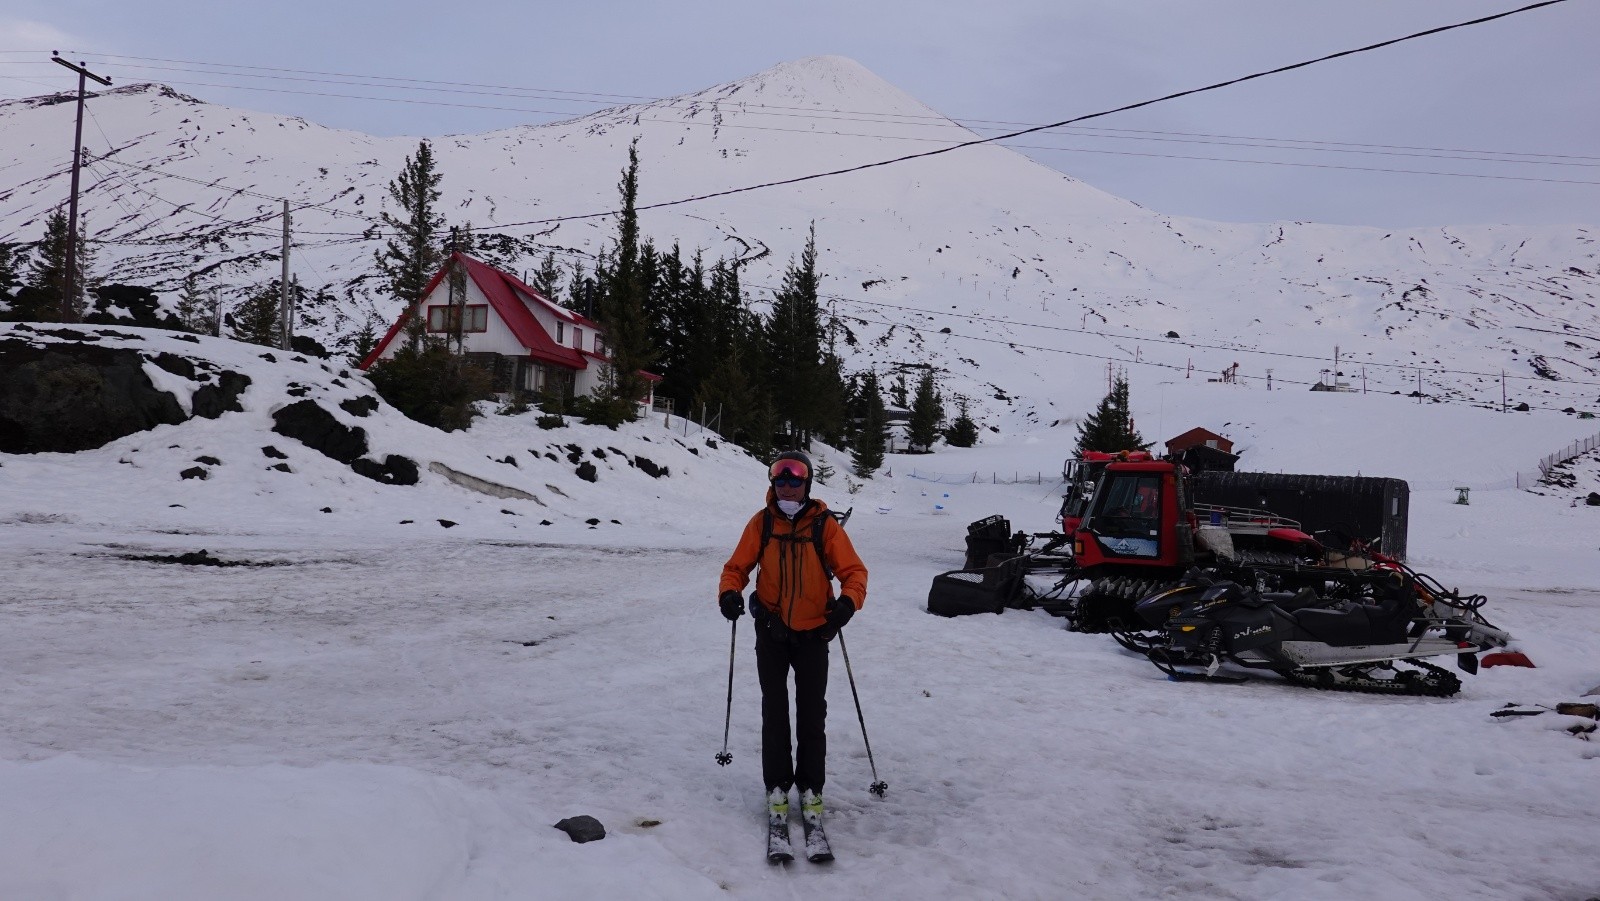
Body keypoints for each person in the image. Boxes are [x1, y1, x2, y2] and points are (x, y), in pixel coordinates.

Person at [718, 450, 867, 842]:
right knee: (775, 710)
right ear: (772, 483)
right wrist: (730, 593)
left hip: (815, 633)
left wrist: (847, 605)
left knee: (812, 713)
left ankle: (811, 789)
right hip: (771, 630)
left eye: (795, 477)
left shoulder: (824, 526)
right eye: (780, 478)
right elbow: (736, 568)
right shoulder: (762, 523)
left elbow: (853, 572)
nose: (787, 484)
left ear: (808, 483)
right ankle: (778, 788)